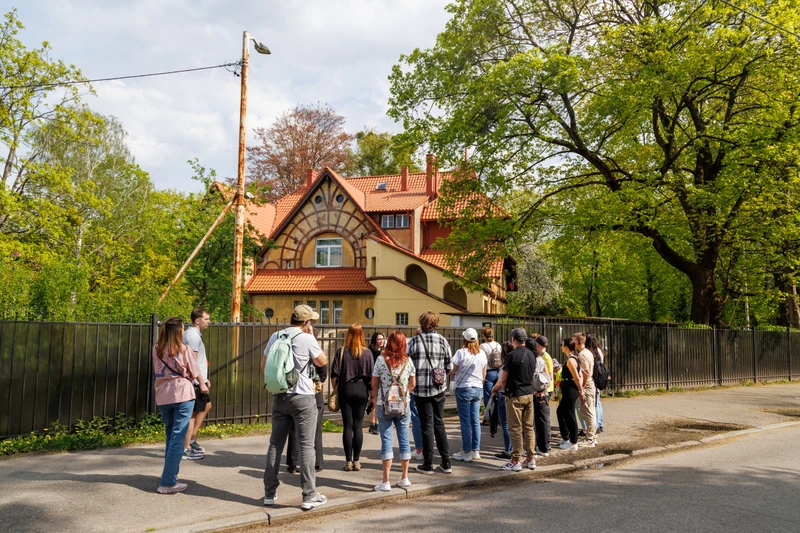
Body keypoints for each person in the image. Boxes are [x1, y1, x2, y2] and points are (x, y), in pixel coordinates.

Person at [261, 305, 328, 510]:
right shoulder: (306, 338)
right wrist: (310, 339)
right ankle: (309, 495)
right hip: (303, 397)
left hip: (280, 395)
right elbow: (322, 361)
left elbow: (264, 366)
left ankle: (269, 494)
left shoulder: (276, 336)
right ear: (306, 322)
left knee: (275, 445)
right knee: (307, 445)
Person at [152, 316, 207, 494]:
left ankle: (171, 476)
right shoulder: (184, 349)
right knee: (178, 439)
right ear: (179, 331)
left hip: (163, 396)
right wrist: (203, 384)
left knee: (170, 436)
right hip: (182, 394)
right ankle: (167, 482)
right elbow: (194, 370)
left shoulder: (156, 349)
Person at [369, 331, 417, 491]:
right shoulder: (408, 361)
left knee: (386, 441)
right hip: (403, 405)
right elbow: (413, 383)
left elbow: (374, 382)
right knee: (404, 440)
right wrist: (405, 392)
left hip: (384, 404)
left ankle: (385, 481)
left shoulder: (380, 360)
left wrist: (374, 398)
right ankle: (405, 477)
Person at [407, 311, 452, 475]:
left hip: (420, 389)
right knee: (439, 423)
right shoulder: (442, 340)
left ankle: (428, 463)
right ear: (436, 323)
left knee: (426, 425)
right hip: (438, 387)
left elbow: (406, 362)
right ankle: (446, 462)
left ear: (421, 323)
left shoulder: (413, 341)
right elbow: (449, 366)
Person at [491, 327, 536, 471]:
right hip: (529, 393)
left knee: (515, 428)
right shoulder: (531, 354)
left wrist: (505, 391)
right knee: (528, 428)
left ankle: (516, 460)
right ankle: (531, 458)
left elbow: (503, 378)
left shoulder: (511, 355)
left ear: (513, 340)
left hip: (515, 395)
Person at [331, 323, 374, 471]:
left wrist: (335, 390)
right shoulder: (367, 353)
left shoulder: (341, 351)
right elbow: (371, 377)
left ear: (348, 334)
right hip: (362, 390)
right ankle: (357, 461)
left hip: (346, 389)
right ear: (362, 334)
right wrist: (372, 395)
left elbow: (334, 374)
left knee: (347, 426)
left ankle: (348, 461)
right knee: (358, 425)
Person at [451, 328, 487, 462]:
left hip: (464, 388)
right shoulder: (482, 354)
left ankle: (466, 451)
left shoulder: (460, 353)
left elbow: (452, 370)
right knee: (475, 420)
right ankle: (476, 451)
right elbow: (484, 374)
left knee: (465, 422)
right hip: (478, 388)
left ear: (464, 339)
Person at [286, 356, 327, 473]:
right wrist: (317, 384)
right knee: (315, 428)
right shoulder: (316, 352)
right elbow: (323, 374)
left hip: (297, 391)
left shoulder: (294, 352)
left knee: (295, 427)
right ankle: (316, 462)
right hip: (313, 392)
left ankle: (294, 462)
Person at [182, 308, 212, 461]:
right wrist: (201, 382)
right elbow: (192, 362)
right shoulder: (193, 337)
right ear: (197, 320)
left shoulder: (193, 335)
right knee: (191, 415)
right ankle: (186, 448)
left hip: (198, 380)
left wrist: (204, 379)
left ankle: (191, 440)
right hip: (194, 382)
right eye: (207, 319)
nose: (209, 322)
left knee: (206, 406)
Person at [573, 332, 597, 447]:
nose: (573, 343)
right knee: (590, 411)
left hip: (587, 386)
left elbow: (586, 372)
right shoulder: (588, 352)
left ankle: (591, 438)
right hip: (590, 385)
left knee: (587, 412)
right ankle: (592, 436)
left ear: (580, 341)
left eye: (574, 341)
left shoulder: (582, 354)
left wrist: (581, 387)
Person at [556, 338, 580, 451]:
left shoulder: (571, 360)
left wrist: (581, 390)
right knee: (561, 412)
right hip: (567, 388)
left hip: (571, 389)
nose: (561, 347)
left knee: (570, 415)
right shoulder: (571, 359)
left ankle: (573, 441)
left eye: (562, 345)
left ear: (566, 347)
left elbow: (576, 376)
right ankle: (566, 437)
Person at [531, 336, 553, 456]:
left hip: (534, 392)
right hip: (542, 392)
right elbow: (548, 377)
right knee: (542, 419)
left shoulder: (534, 360)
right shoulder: (542, 360)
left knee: (533, 422)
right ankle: (544, 447)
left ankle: (534, 447)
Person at [493, 341, 515, 459]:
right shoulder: (516, 361)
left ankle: (508, 450)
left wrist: (494, 389)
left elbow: (502, 381)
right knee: (515, 424)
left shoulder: (505, 364)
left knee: (505, 424)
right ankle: (515, 449)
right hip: (514, 394)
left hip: (503, 394)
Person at [408, 327, 424, 460]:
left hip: (415, 387)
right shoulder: (438, 343)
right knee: (429, 420)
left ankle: (420, 449)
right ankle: (428, 448)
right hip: (431, 388)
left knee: (416, 418)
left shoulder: (413, 345)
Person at [367, 332, 387, 435]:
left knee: (376, 400)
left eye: (382, 339)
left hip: (379, 378)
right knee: (375, 400)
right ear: (375, 340)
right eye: (379, 339)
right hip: (374, 378)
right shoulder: (375, 352)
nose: (381, 341)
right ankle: (374, 423)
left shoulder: (380, 351)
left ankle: (374, 423)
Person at [586, 333, 605, 433]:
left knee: (595, 403)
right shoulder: (599, 351)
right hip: (599, 377)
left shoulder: (592, 352)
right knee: (598, 402)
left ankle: (597, 425)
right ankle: (600, 424)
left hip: (594, 378)